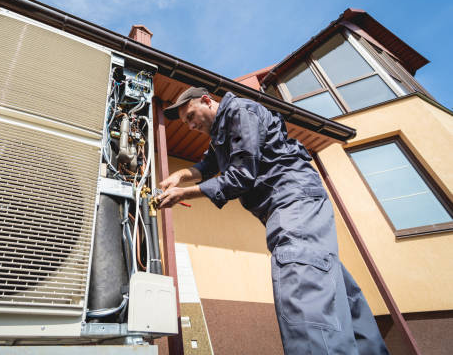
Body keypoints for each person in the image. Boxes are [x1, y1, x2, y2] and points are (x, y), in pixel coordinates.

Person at [157, 87, 389, 355]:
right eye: (186, 122)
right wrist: (181, 176)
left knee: (303, 282)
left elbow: (241, 176)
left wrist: (183, 194)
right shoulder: (223, 132)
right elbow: (208, 165)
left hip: (293, 200)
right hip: (296, 206)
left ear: (207, 101)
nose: (190, 125)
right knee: (333, 287)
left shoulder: (239, 111)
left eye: (190, 116)